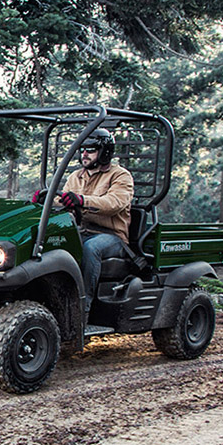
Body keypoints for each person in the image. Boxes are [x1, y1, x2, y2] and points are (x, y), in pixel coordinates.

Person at [33, 128, 134, 321]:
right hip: (81, 230)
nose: (84, 154)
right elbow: (65, 201)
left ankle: (82, 309)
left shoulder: (120, 176)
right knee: (50, 242)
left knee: (90, 248)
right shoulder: (76, 176)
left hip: (111, 236)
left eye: (91, 149)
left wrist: (82, 200)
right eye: (83, 150)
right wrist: (47, 199)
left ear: (104, 152)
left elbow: (114, 203)